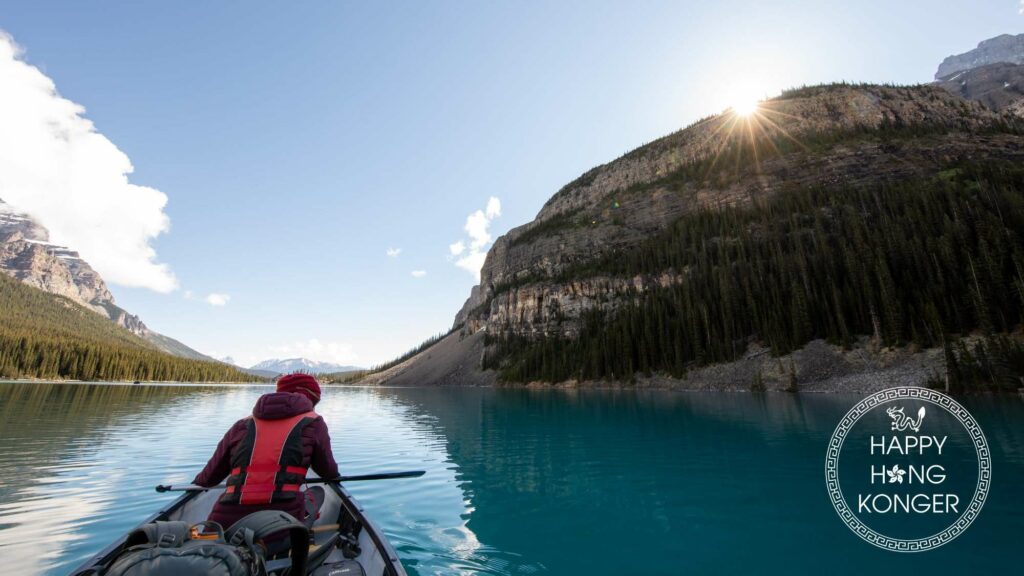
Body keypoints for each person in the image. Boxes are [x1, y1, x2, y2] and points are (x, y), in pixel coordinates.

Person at [193, 373, 339, 529]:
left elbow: (207, 480)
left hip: (224, 526)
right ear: (309, 398)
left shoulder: (241, 425)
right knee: (317, 492)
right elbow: (328, 472)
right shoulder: (314, 422)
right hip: (281, 528)